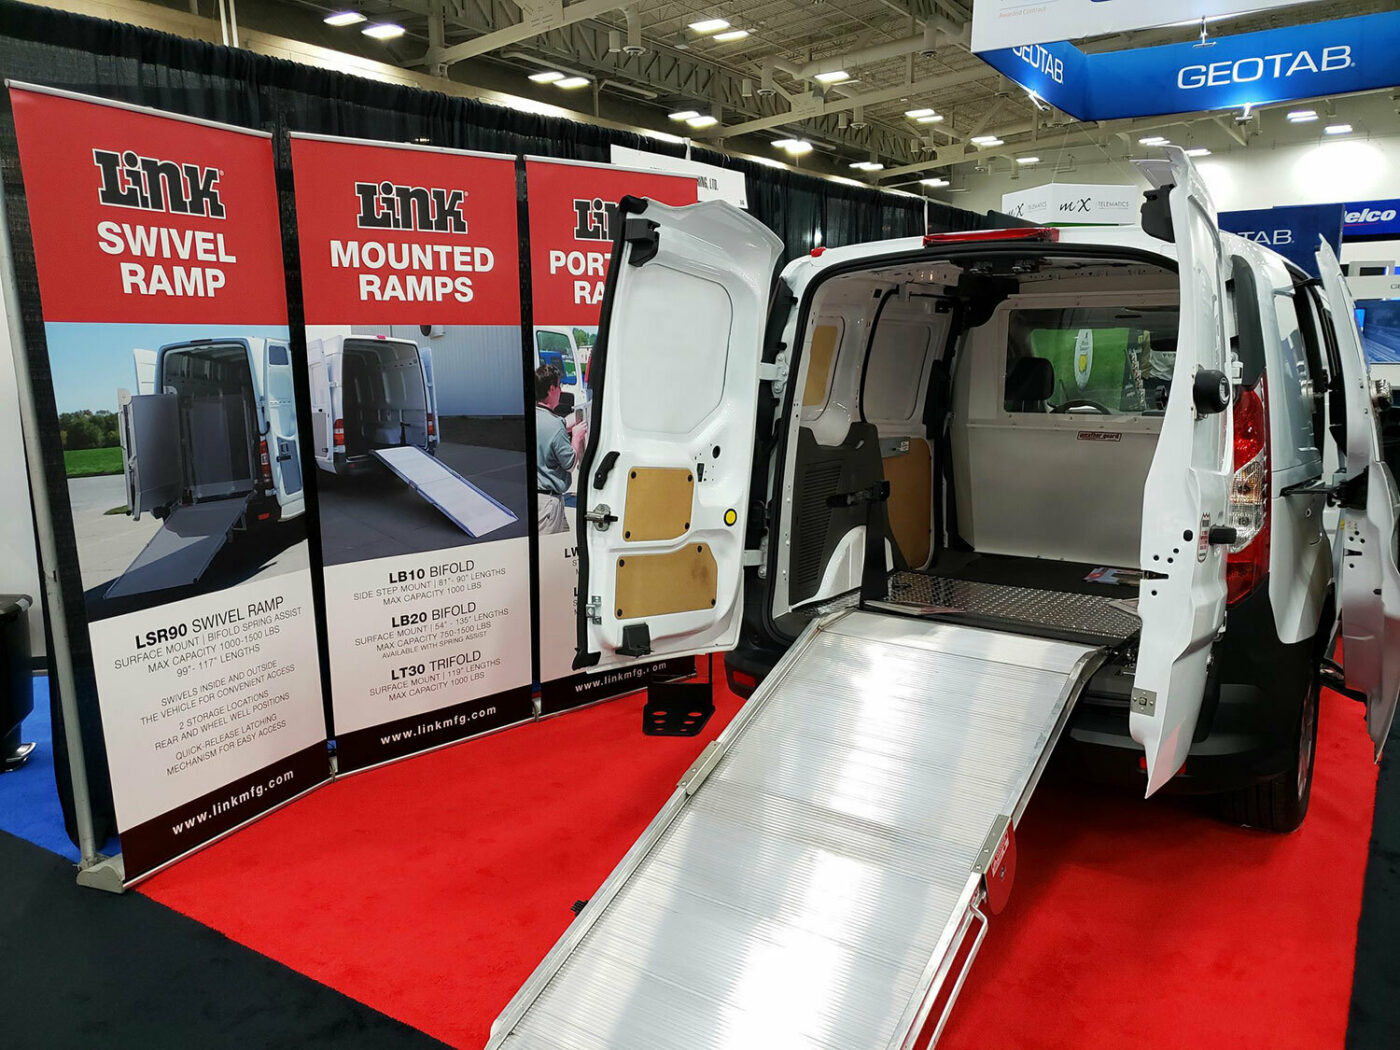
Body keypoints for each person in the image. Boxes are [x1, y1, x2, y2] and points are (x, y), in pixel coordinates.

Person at [535, 364, 587, 535]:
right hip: (549, 505)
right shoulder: (555, 426)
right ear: (551, 389)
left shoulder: (539, 417)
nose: (561, 390)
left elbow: (561, 425)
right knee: (551, 548)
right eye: (559, 386)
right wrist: (577, 437)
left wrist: (580, 415)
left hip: (541, 500)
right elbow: (570, 464)